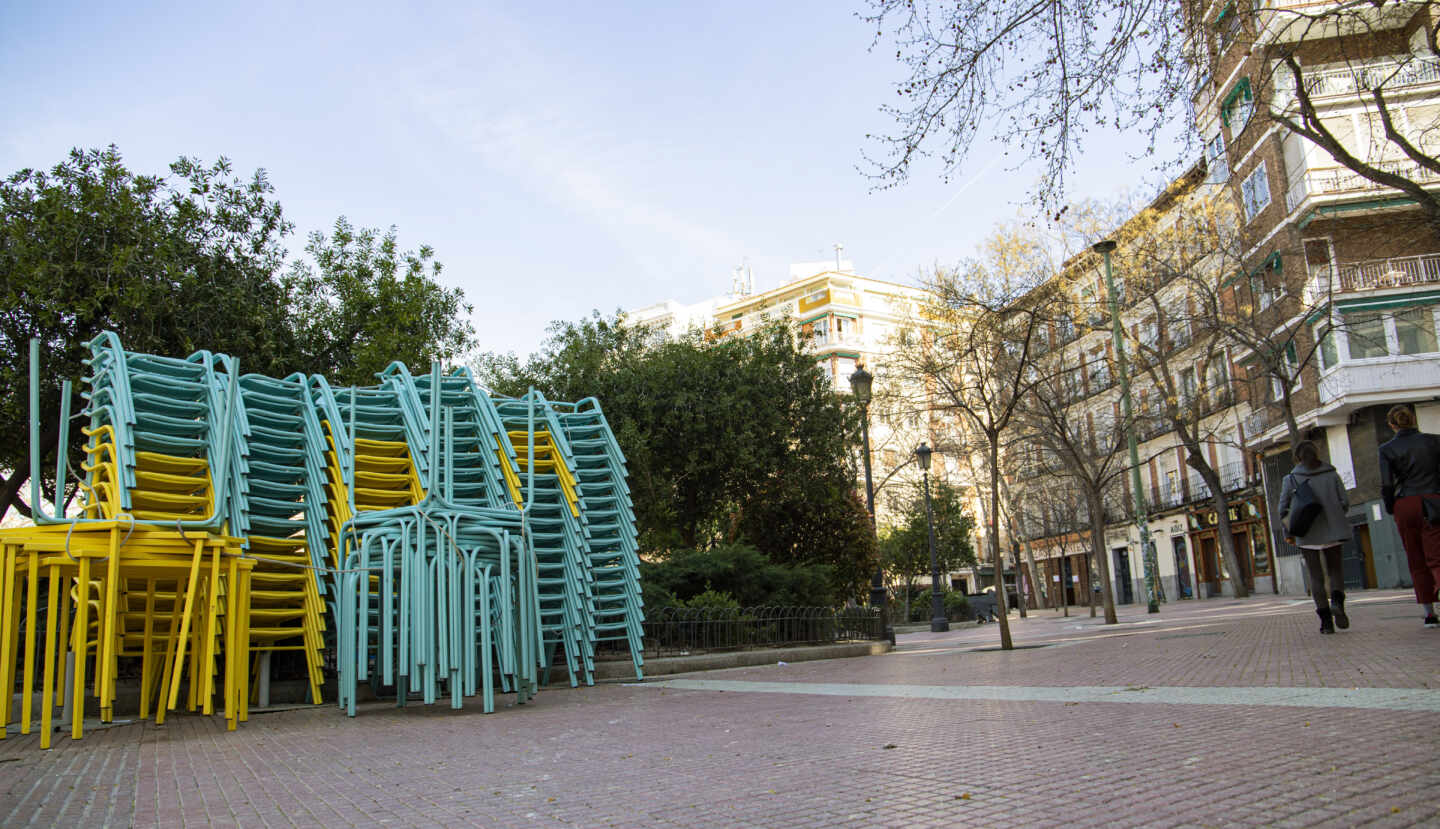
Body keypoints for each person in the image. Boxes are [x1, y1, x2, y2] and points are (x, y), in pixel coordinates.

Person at [1278, 440, 1351, 634]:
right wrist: (1335, 514)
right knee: (1336, 570)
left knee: (1315, 577)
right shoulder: (1331, 474)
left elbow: (1282, 509)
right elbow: (1345, 501)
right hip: (1334, 530)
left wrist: (1289, 531)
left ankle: (1326, 623)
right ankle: (1337, 601)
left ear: (1298, 457)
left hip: (1307, 533)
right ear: (1316, 453)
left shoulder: (1290, 479)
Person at [1378, 404, 1440, 628]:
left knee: (1416, 559)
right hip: (1434, 500)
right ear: (1413, 420)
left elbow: (1386, 483)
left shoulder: (1386, 449)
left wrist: (1391, 506)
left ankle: (1429, 614)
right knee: (1437, 555)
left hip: (1406, 504)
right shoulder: (1435, 441)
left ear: (1392, 425)